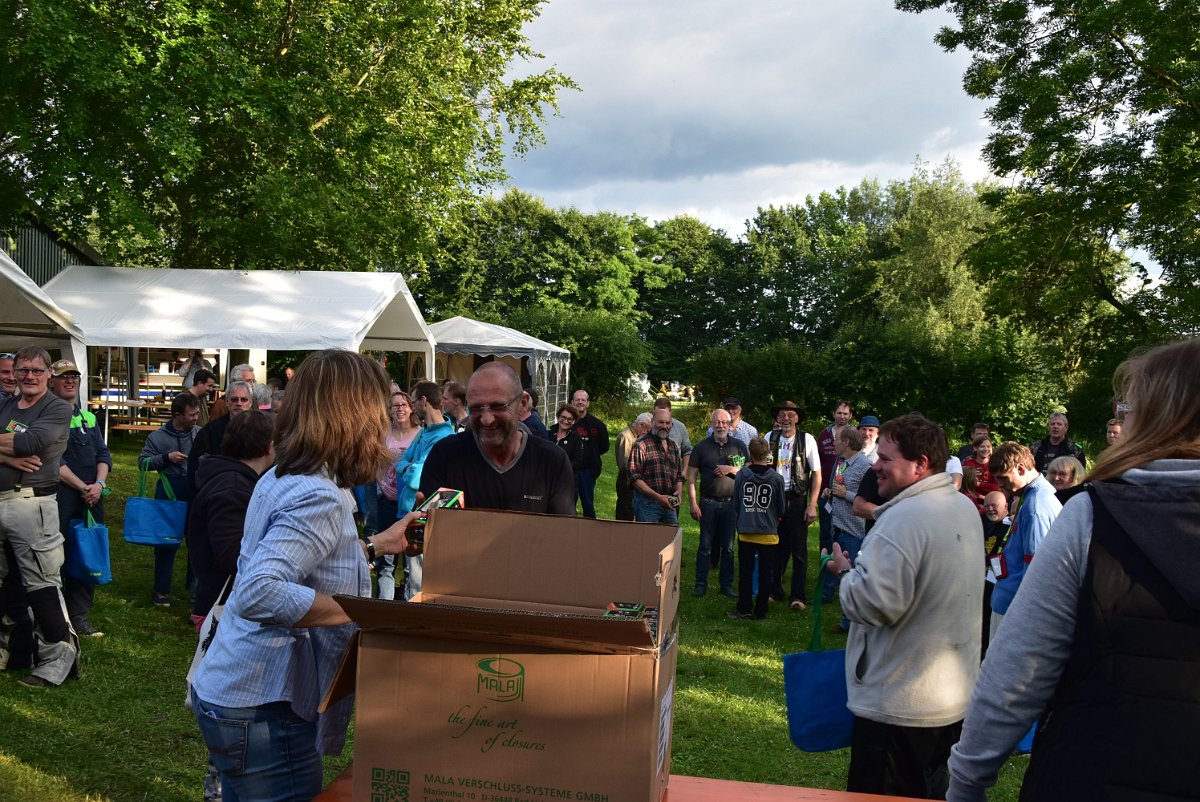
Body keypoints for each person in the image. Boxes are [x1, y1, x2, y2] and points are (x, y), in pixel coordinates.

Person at [947, 337, 1200, 802]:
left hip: (1093, 770)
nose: (1122, 420)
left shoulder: (1092, 515)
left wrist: (966, 781)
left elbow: (1018, 669)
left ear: (1161, 415)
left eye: (1128, 408)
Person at [191, 349, 417, 802]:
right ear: (357, 414)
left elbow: (300, 557)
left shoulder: (285, 474)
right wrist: (363, 614)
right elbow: (260, 592)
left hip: (233, 692)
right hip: (264, 707)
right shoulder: (318, 494)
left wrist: (377, 544)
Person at [824, 412, 983, 799]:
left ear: (920, 464)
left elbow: (873, 604)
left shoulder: (904, 520)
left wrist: (845, 574)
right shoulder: (961, 507)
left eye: (885, 457)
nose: (875, 465)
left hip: (899, 707)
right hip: (948, 702)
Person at [0, 347, 76, 687]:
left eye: (36, 370)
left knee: (42, 584)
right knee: (5, 585)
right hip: (2, 501)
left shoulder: (57, 407)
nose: (29, 376)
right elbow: (20, 447)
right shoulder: (7, 404)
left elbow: (31, 442)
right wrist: (10, 457)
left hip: (33, 505)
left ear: (49, 374)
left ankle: (59, 659)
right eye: (23, 370)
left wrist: (19, 449)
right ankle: (15, 651)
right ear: (14, 372)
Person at [418, 362, 575, 515]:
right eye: (476, 408)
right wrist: (422, 527)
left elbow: (563, 535)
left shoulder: (552, 462)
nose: (486, 419)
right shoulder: (445, 456)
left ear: (523, 403)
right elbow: (429, 529)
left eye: (498, 406)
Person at [186, 409, 275, 628]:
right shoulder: (232, 488)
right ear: (269, 447)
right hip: (222, 606)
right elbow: (231, 554)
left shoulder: (234, 480)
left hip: (226, 602)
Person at [49, 359, 111, 638]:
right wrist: (83, 488)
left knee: (87, 554)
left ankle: (80, 616)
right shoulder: (48, 417)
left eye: (74, 376)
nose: (70, 381)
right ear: (52, 381)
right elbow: (54, 461)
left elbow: (103, 454)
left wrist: (98, 484)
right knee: (57, 557)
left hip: (91, 497)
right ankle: (55, 616)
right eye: (64, 377)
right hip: (62, 497)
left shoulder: (88, 417)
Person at [986, 441, 1062, 639]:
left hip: (1016, 611)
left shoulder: (1036, 506)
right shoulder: (1032, 498)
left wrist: (1029, 617)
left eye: (1003, 478)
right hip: (1010, 603)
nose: (1000, 485)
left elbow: (1037, 569)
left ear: (1020, 469)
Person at [393, 380, 456, 600]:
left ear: (423, 401)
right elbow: (401, 463)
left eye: (413, 401)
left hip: (425, 515)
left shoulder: (445, 437)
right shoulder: (423, 433)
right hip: (409, 512)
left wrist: (410, 468)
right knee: (412, 573)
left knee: (421, 577)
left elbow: (416, 477)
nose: (410, 407)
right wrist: (410, 467)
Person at [139, 392, 201, 607]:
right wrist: (166, 458)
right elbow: (143, 462)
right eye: (192, 414)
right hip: (169, 490)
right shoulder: (158, 437)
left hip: (195, 491)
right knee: (166, 542)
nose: (196, 418)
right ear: (177, 415)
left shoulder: (199, 433)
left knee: (196, 540)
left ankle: (195, 587)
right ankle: (161, 589)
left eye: (197, 413)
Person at [686, 408, 750, 598]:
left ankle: (726, 585)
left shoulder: (739, 445)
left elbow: (748, 472)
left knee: (728, 548)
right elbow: (691, 478)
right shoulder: (701, 447)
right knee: (704, 547)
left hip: (731, 504)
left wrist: (731, 468)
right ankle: (700, 583)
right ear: (712, 424)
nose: (721, 425)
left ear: (730, 425)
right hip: (708, 503)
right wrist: (693, 503)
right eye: (717, 422)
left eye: (724, 422)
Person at [765, 400, 821, 610]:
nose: (785, 418)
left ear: (797, 418)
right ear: (777, 418)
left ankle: (798, 596)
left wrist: (812, 504)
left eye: (790, 415)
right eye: (782, 415)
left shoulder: (807, 440)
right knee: (774, 547)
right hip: (774, 500)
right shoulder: (770, 438)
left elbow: (816, 473)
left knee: (798, 550)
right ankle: (774, 590)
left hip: (797, 499)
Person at [820, 426, 871, 620]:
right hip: (837, 525)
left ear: (847, 442)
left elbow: (867, 498)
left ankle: (850, 622)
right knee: (837, 568)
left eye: (837, 439)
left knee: (852, 575)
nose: (834, 442)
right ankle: (841, 615)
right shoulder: (840, 461)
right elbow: (836, 485)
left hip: (853, 529)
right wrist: (829, 492)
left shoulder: (864, 465)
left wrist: (845, 494)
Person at [729, 436, 784, 620]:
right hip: (768, 531)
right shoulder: (776, 478)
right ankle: (761, 610)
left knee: (745, 572)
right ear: (768, 454)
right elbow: (781, 507)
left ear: (750, 454)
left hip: (746, 530)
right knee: (766, 573)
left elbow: (737, 502)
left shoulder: (742, 476)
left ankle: (744, 608)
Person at [374, 391, 419, 600]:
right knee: (386, 561)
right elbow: (377, 464)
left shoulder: (420, 435)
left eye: (404, 405)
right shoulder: (385, 435)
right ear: (389, 411)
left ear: (411, 408)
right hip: (388, 500)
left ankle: (410, 605)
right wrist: (383, 487)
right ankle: (384, 606)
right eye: (395, 406)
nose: (400, 409)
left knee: (412, 560)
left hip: (411, 506)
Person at [629, 406, 684, 525]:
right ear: (653, 422)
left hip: (669, 504)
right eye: (661, 422)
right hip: (647, 504)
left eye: (668, 423)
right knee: (647, 541)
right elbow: (634, 478)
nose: (664, 426)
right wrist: (658, 497)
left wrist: (679, 490)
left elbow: (678, 475)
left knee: (671, 540)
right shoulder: (641, 445)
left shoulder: (673, 446)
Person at [817, 401, 854, 555]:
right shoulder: (824, 434)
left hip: (845, 491)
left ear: (850, 416)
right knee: (825, 531)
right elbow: (816, 462)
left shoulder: (854, 435)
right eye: (839, 413)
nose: (842, 416)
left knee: (844, 533)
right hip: (825, 489)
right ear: (833, 414)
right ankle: (825, 567)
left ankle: (843, 564)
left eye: (845, 413)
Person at [571, 389, 610, 519]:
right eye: (577, 399)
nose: (580, 402)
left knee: (588, 506)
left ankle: (590, 535)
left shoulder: (597, 425)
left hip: (588, 471)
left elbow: (604, 447)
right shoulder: (566, 422)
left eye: (583, 400)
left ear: (588, 403)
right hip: (569, 470)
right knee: (567, 505)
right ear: (572, 402)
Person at [614, 412, 651, 521]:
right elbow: (624, 465)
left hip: (635, 480)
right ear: (641, 425)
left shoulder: (637, 436)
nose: (647, 433)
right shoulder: (626, 437)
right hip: (626, 481)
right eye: (647, 430)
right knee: (626, 513)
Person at [551, 403, 587, 478]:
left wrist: (561, 467)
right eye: (563, 417)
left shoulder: (576, 437)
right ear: (558, 417)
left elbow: (577, 461)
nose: (565, 421)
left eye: (569, 419)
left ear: (574, 421)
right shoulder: (549, 433)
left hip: (565, 478)